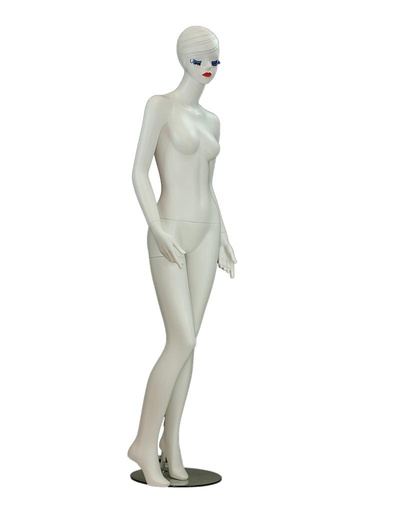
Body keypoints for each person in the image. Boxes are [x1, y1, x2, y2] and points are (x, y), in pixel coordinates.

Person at [127, 26, 237, 487]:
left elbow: (208, 185)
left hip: (207, 231)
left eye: (214, 61)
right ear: (182, 59)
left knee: (190, 344)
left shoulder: (212, 121)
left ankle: (171, 446)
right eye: (199, 60)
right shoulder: (160, 106)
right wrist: (155, 227)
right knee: (182, 339)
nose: (208, 69)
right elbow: (138, 171)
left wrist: (224, 235)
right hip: (169, 229)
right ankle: (142, 442)